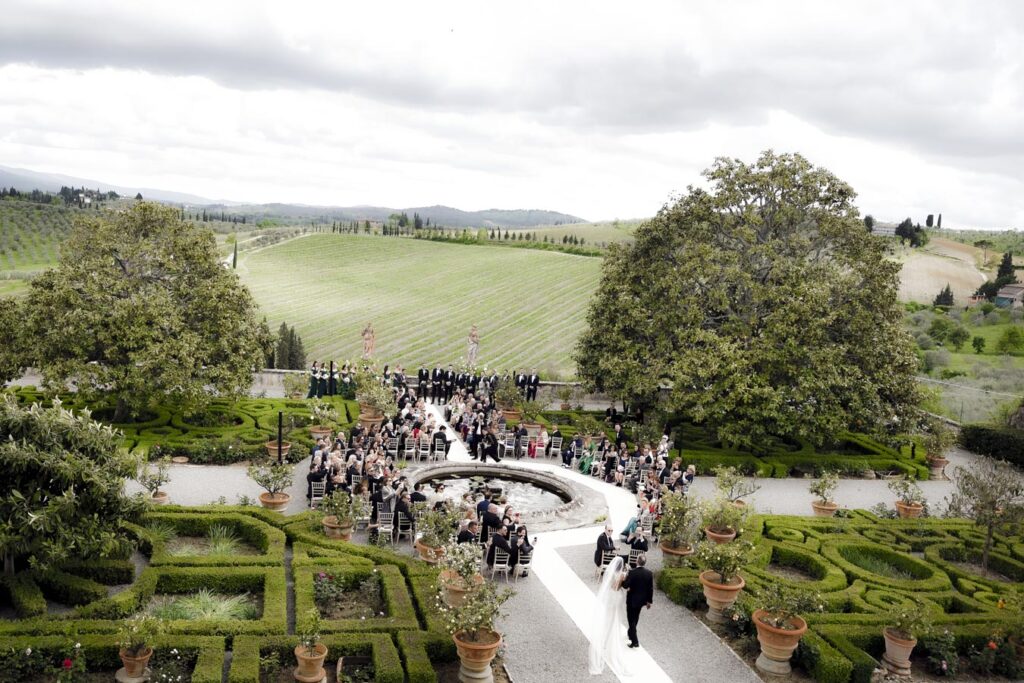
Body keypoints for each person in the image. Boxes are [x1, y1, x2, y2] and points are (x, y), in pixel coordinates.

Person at [588, 556, 631, 676]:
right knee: (614, 619)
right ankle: (609, 640)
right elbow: (623, 585)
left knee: (608, 617)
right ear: (621, 566)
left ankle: (604, 640)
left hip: (610, 595)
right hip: (617, 595)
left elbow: (607, 583)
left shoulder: (611, 572)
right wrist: (626, 572)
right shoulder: (622, 575)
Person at [622, 553, 654, 649]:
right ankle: (630, 632)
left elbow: (625, 585)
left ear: (637, 561)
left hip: (632, 600)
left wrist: (625, 577)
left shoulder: (632, 573)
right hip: (641, 601)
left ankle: (635, 641)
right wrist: (649, 601)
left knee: (631, 619)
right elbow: (650, 589)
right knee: (635, 618)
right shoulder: (649, 573)